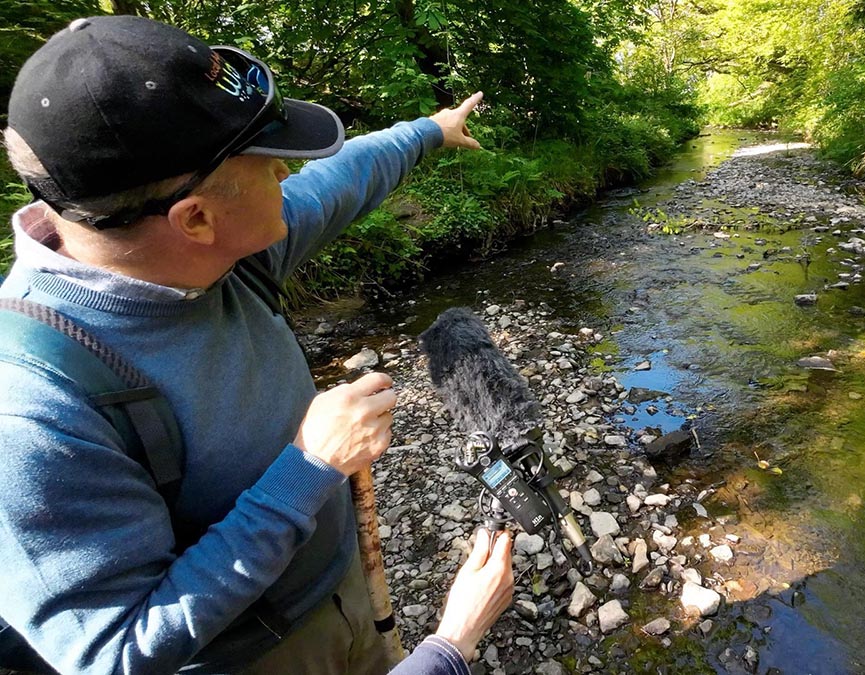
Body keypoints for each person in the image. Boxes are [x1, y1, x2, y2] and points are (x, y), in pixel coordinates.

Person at [0, 14, 513, 675]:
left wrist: (429, 132)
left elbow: (342, 180)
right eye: (270, 167)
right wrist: (311, 465)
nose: (289, 178)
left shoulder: (224, 252)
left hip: (342, 594)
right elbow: (112, 653)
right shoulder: (36, 407)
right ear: (196, 218)